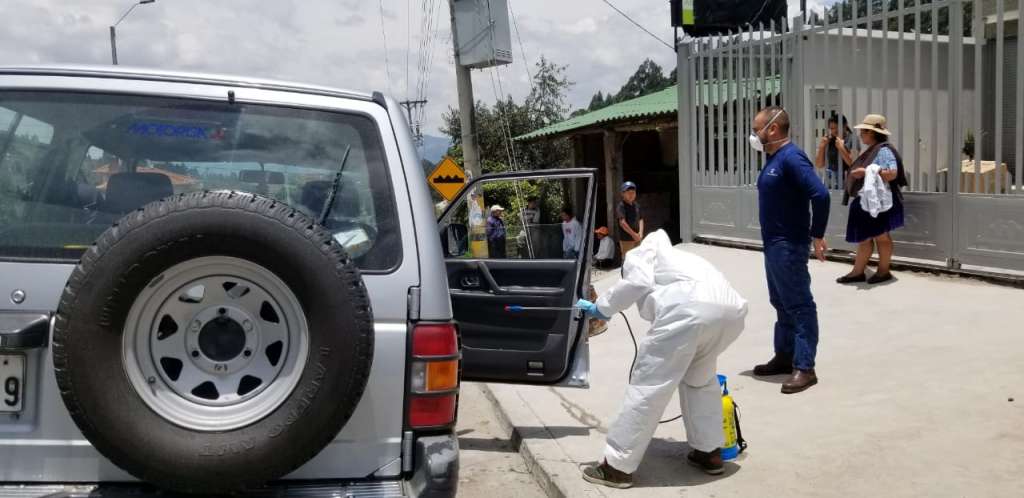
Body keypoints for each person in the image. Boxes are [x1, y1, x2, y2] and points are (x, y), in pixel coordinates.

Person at [575, 230, 748, 489]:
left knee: (648, 386)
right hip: (731, 313)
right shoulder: (683, 258)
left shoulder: (643, 252)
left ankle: (617, 467)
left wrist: (602, 307)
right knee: (701, 381)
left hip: (687, 312)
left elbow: (637, 283)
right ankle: (710, 452)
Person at [750, 106, 830, 395]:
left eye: (756, 129)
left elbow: (820, 194)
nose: (754, 134)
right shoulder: (775, 158)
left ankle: (805, 367)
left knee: (799, 304)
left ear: (772, 129)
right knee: (780, 303)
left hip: (788, 245)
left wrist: (817, 234)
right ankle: (785, 356)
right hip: (773, 244)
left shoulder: (792, 157)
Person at [837, 114, 907, 285]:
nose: (861, 134)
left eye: (863, 131)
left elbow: (892, 173)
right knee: (865, 237)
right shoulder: (874, 149)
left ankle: (883, 271)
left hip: (878, 202)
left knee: (880, 236)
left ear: (872, 133)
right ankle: (858, 272)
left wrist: (865, 172)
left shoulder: (883, 150)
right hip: (870, 201)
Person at [814, 114, 860, 189]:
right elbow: (819, 165)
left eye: (837, 127)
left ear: (845, 126)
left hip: (846, 184)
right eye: (832, 128)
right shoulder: (829, 140)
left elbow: (853, 163)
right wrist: (822, 146)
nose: (835, 131)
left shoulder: (852, 139)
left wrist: (841, 148)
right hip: (830, 183)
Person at [616, 181, 644, 256]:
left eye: (633, 192)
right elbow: (622, 223)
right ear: (623, 194)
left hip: (638, 238)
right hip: (627, 240)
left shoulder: (636, 205)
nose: (631, 195)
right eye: (628, 193)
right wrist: (634, 235)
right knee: (628, 259)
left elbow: (641, 219)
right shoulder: (621, 206)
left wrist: (640, 233)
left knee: (638, 258)